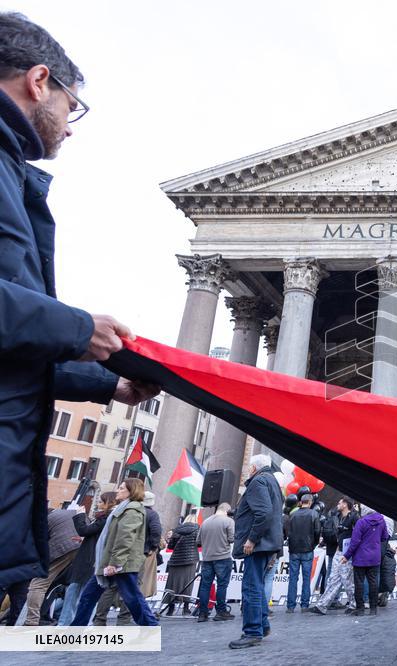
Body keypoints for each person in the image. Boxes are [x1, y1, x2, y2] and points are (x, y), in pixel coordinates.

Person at [0, 13, 158, 590]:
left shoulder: (12, 173)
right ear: (39, 81)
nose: (70, 126)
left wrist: (104, 383)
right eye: (73, 107)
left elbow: (12, 346)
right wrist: (76, 329)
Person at [70, 478, 158, 626]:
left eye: (122, 488)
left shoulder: (132, 510)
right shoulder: (123, 509)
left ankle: (151, 627)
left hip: (121, 564)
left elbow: (125, 538)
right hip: (111, 562)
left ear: (131, 491)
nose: (118, 490)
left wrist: (115, 563)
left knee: (133, 599)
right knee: (88, 596)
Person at [229, 454, 283, 649]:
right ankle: (262, 625)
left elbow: (263, 513)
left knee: (251, 587)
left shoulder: (259, 481)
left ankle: (252, 631)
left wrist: (251, 539)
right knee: (257, 586)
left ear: (253, 468)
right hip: (267, 543)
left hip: (259, 544)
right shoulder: (272, 481)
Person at [58, 492, 114, 625]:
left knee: (80, 593)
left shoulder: (105, 518)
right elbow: (92, 534)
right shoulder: (104, 518)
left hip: (90, 560)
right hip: (90, 559)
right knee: (78, 592)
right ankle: (70, 623)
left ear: (108, 503)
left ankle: (68, 624)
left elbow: (83, 530)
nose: (98, 504)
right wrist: (85, 539)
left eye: (101, 502)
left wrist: (80, 515)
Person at [24, 507, 79, 624]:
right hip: (82, 547)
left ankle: (31, 622)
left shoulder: (46, 519)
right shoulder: (70, 512)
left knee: (38, 584)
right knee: (74, 586)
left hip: (62, 548)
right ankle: (68, 622)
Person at [343, 505, 389, 616]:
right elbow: (385, 537)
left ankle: (360, 608)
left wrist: (346, 556)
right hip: (375, 556)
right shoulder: (381, 521)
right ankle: (373, 608)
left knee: (359, 583)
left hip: (360, 557)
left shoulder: (361, 522)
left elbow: (355, 541)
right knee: (373, 582)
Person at [196, 502, 235, 622]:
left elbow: (198, 541)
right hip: (223, 557)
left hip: (207, 558)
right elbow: (231, 539)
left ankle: (202, 614)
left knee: (205, 586)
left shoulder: (205, 522)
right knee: (222, 585)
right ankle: (221, 612)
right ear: (227, 511)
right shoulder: (229, 521)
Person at [285, 493, 320, 613]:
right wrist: (313, 545)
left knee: (293, 578)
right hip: (307, 549)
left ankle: (290, 606)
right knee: (306, 579)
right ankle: (304, 605)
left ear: (301, 502)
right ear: (310, 503)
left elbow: (289, 533)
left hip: (294, 550)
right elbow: (317, 532)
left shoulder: (293, 515)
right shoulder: (314, 514)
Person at [164, 513, 200, 616]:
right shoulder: (197, 529)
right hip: (190, 560)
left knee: (172, 584)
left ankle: (170, 609)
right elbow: (199, 543)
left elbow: (171, 546)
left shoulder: (177, 530)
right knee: (187, 584)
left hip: (176, 560)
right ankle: (186, 608)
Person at [139, 492, 162, 600]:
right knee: (141, 580)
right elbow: (156, 531)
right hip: (144, 551)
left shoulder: (134, 511)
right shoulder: (152, 514)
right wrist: (153, 547)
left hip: (130, 549)